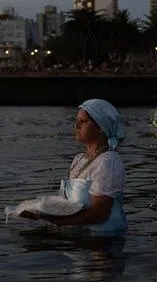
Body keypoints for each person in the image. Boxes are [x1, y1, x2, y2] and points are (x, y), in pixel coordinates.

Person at [19, 99, 126, 236]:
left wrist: (58, 222)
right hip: (77, 235)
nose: (76, 126)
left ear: (100, 127)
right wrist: (40, 211)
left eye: (84, 121)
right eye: (77, 120)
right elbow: (67, 205)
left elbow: (100, 214)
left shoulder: (107, 162)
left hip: (102, 240)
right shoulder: (79, 159)